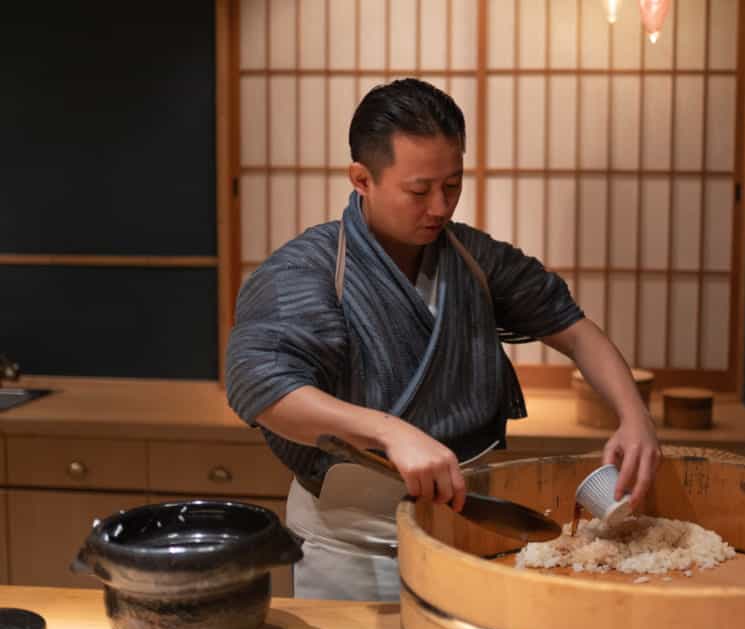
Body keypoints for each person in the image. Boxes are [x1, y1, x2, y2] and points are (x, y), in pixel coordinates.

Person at [225, 78, 661, 601]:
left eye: (451, 186)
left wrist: (634, 417)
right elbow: (265, 390)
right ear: (362, 179)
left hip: (466, 529)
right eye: (418, 190)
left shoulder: (473, 259)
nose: (439, 206)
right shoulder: (308, 270)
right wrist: (389, 432)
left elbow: (573, 327)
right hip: (350, 543)